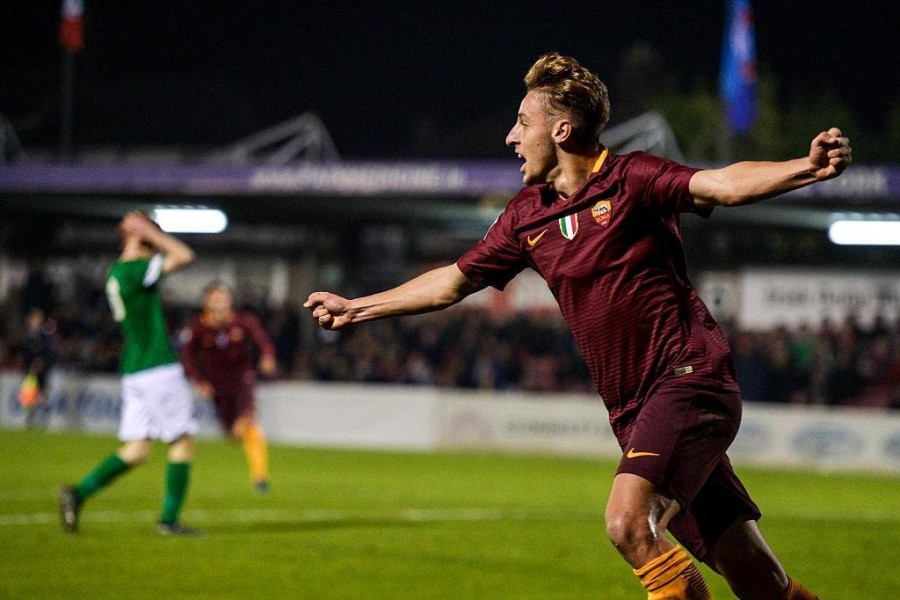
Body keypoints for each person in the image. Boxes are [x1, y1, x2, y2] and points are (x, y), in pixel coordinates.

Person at [305, 52, 852, 600]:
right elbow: (452, 281)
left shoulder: (633, 178)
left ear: (561, 129)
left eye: (523, 123)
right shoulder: (526, 215)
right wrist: (359, 308)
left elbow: (721, 185)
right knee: (757, 577)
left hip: (689, 379)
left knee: (628, 525)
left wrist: (805, 168)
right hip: (634, 411)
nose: (510, 137)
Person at [58, 211, 201, 536]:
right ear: (141, 239)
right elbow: (184, 255)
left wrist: (145, 234)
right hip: (157, 366)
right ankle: (169, 521)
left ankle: (77, 494)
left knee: (137, 450)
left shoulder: (116, 272)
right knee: (182, 440)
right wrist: (149, 231)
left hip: (134, 370)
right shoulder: (136, 270)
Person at [180, 281, 277, 493]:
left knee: (247, 421)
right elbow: (187, 356)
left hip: (243, 380)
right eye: (215, 298)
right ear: (206, 302)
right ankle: (243, 434)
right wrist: (199, 381)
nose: (220, 303)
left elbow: (262, 340)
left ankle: (260, 477)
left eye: (224, 298)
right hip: (217, 387)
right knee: (233, 436)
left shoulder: (243, 322)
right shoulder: (197, 327)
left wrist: (268, 356)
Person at [17, 307, 58, 429]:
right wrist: (28, 364)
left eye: (38, 318)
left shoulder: (45, 336)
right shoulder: (26, 335)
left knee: (43, 395)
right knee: (29, 396)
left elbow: (50, 353)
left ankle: (43, 421)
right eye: (35, 318)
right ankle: (30, 420)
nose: (37, 321)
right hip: (29, 371)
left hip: (41, 372)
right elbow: (23, 353)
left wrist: (42, 362)